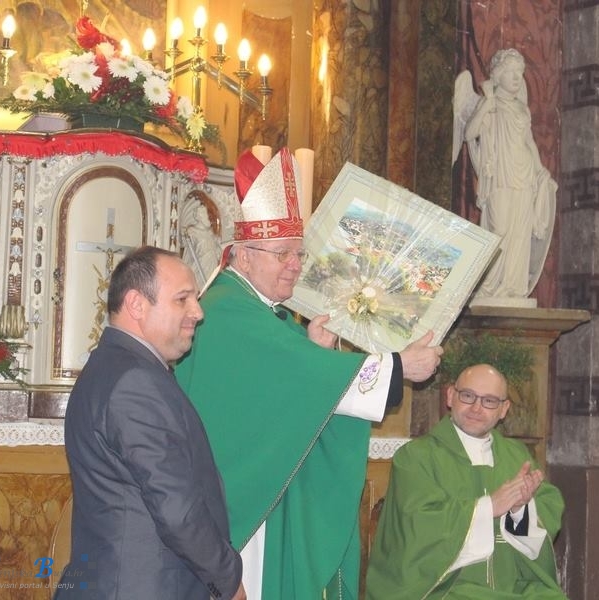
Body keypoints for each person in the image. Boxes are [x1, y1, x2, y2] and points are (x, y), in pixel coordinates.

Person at [175, 147, 444, 600]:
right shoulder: (228, 311)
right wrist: (400, 366)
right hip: (237, 502)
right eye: (282, 254)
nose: (296, 265)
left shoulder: (257, 310)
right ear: (242, 255)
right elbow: (297, 376)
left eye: (299, 254)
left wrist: (310, 348)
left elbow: (285, 377)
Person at [56, 246, 245, 600]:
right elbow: (177, 508)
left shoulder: (117, 368)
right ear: (137, 305)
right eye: (182, 299)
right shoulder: (134, 381)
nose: (198, 311)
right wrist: (228, 579)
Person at [365, 363, 566, 599]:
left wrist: (521, 510)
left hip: (512, 584)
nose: (476, 408)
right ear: (451, 396)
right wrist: (489, 506)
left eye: (489, 401)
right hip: (444, 588)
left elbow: (548, 507)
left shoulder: (517, 455)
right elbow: (417, 525)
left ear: (504, 409)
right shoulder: (416, 457)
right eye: (468, 396)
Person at [463, 48, 557, 301]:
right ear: (498, 74)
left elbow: (529, 143)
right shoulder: (489, 105)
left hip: (523, 175)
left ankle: (512, 289)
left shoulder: (521, 109)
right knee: (500, 228)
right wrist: (488, 104)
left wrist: (540, 170)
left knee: (519, 234)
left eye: (520, 72)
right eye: (511, 72)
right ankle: (488, 287)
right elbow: (469, 134)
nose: (517, 77)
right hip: (500, 177)